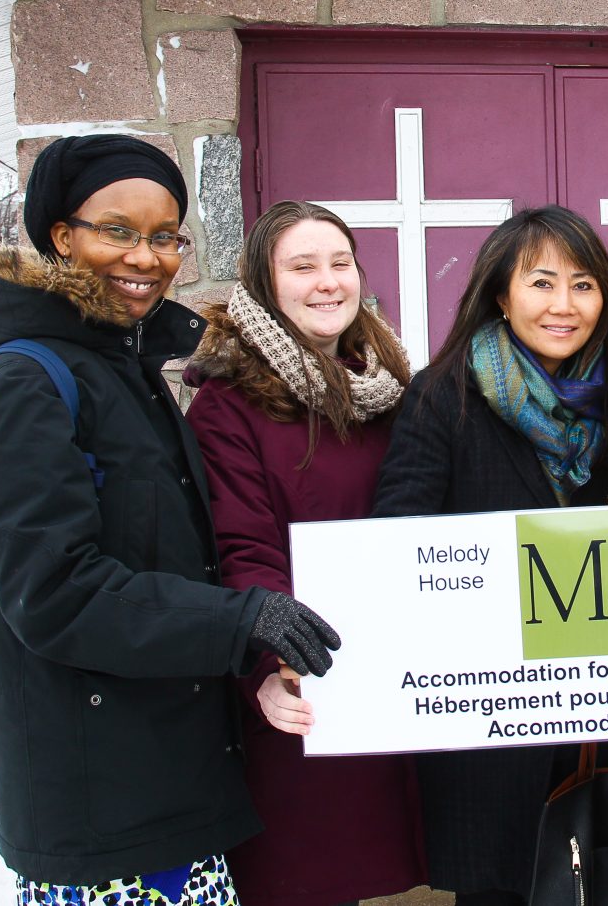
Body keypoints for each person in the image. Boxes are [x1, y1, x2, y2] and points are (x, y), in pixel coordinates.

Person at [0, 135, 341, 903]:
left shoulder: (124, 367)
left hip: (163, 785)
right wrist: (240, 618)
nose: (146, 256)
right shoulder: (24, 380)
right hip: (102, 814)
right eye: (117, 230)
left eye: (165, 236)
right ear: (62, 236)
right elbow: (53, 590)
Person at [372, 205, 608, 905]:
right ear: (501, 294)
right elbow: (400, 536)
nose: (564, 306)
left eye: (584, 285)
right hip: (491, 718)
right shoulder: (445, 394)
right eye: (542, 283)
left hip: (604, 713)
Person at [185, 201, 424, 905]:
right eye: (302, 266)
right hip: (306, 685)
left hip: (399, 678)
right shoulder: (229, 405)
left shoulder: (391, 384)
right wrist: (267, 665)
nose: (327, 282)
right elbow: (238, 547)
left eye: (339, 263)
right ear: (264, 283)